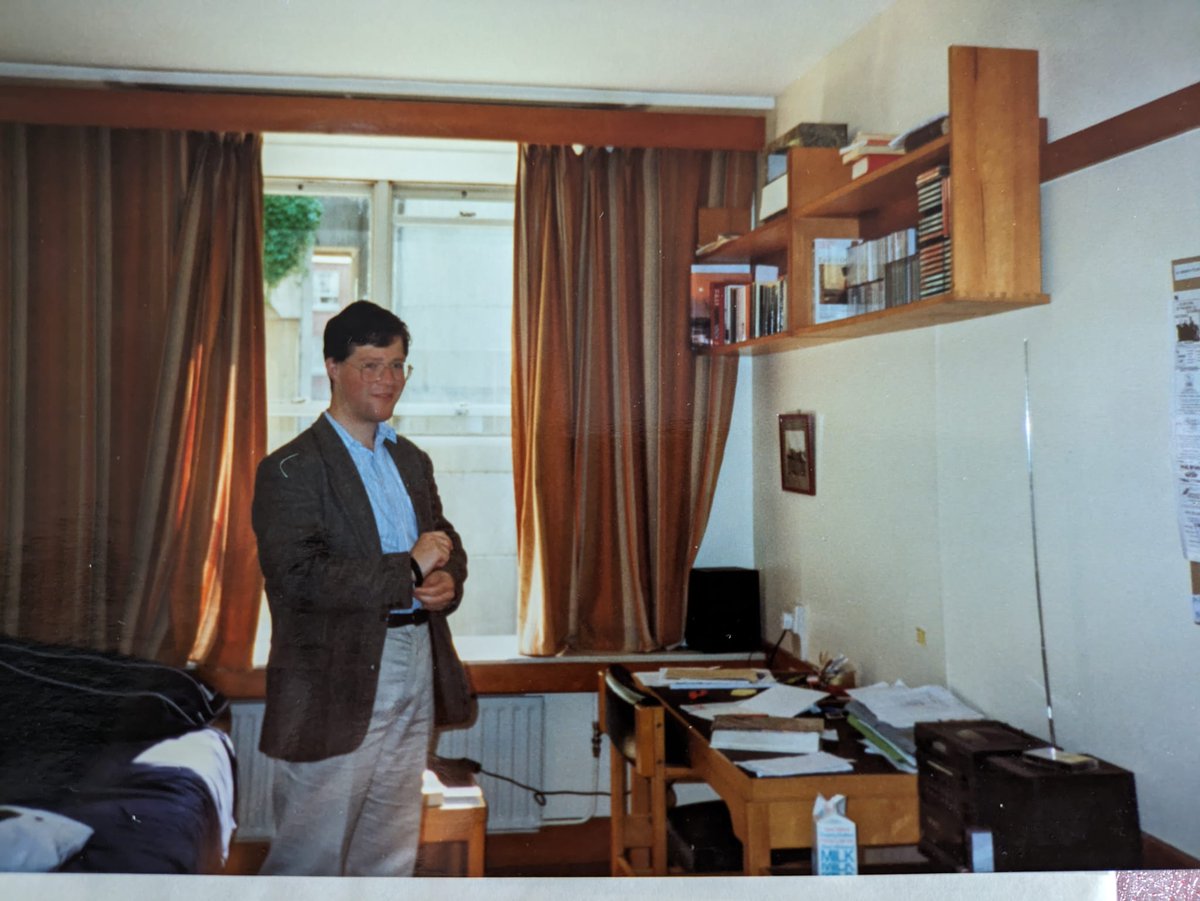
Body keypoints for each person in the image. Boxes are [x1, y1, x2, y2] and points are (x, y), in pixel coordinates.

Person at [251, 300, 470, 876]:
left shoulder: (410, 460)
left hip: (414, 655)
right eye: (371, 365)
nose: (388, 380)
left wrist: (447, 581)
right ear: (332, 367)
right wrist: (410, 569)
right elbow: (298, 579)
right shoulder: (290, 468)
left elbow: (443, 542)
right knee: (311, 853)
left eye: (398, 365)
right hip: (332, 674)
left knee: (391, 846)